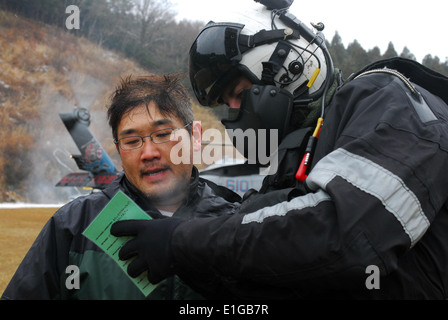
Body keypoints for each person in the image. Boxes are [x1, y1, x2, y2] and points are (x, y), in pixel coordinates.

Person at [111, 1, 448, 299]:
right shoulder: (300, 156)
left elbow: (346, 237)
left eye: (238, 94)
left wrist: (181, 242)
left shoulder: (386, 101)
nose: (236, 111)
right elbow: (270, 264)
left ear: (288, 67)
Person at [1, 74, 240, 300]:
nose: (148, 153)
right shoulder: (72, 226)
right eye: (132, 141)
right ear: (118, 150)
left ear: (195, 137)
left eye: (163, 134)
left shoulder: (239, 224)